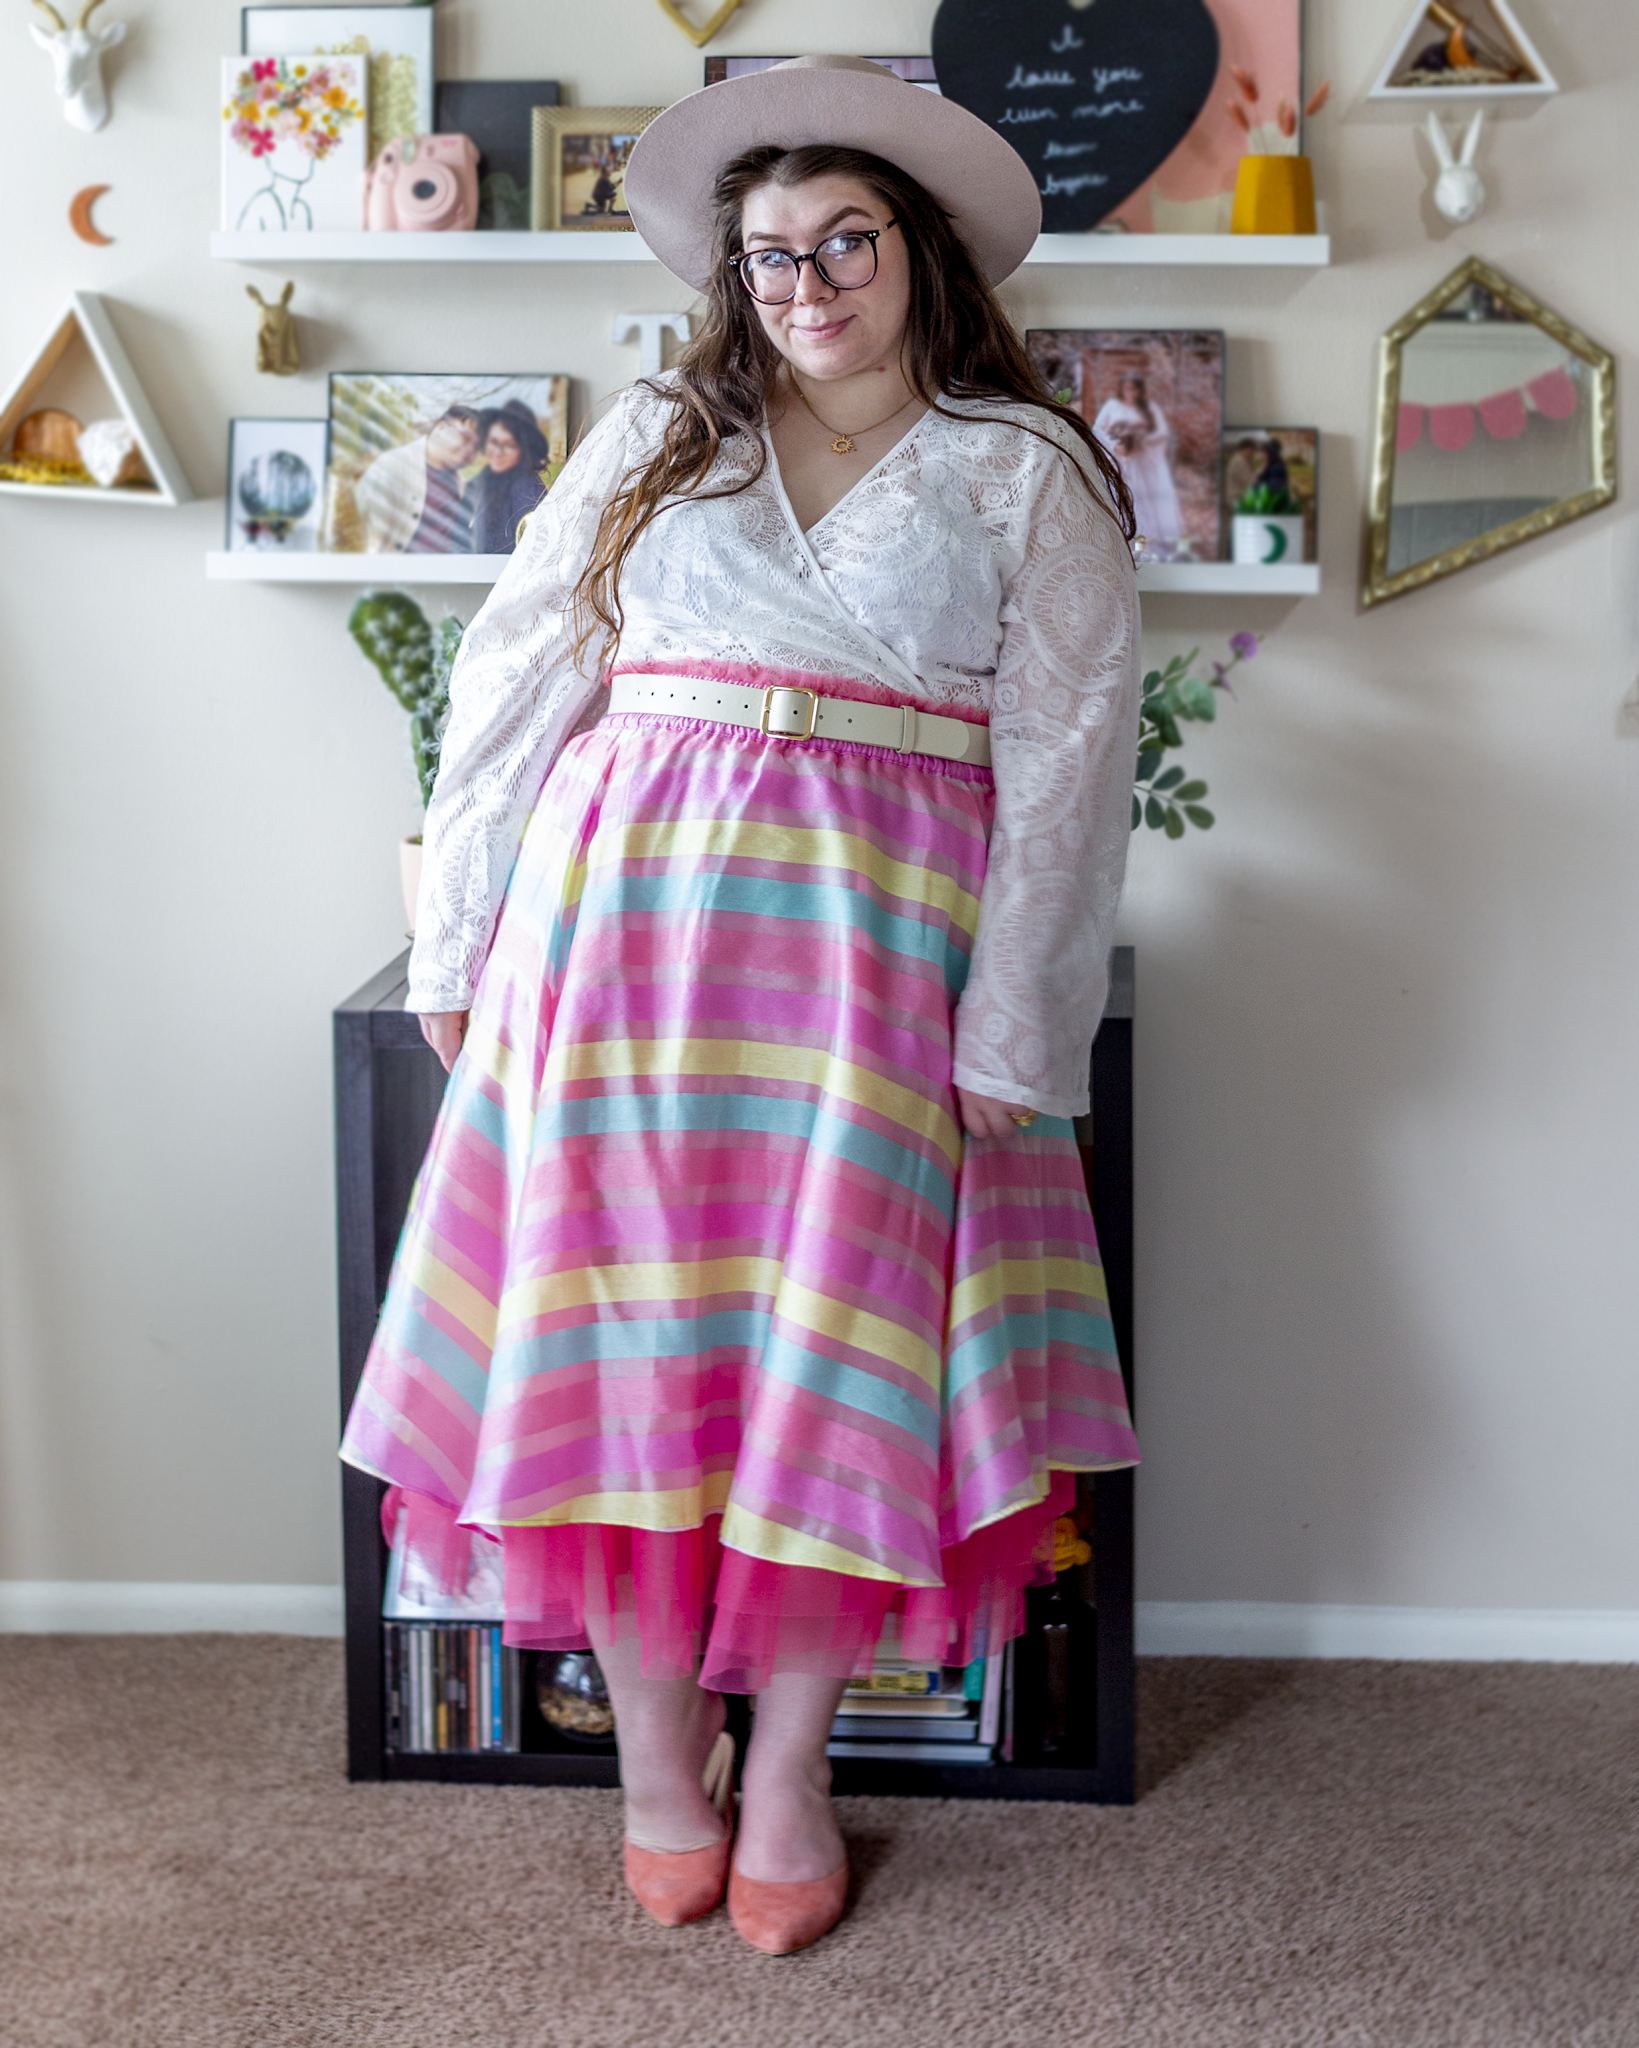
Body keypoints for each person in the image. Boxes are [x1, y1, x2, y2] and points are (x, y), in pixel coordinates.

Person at [341, 57, 1142, 1957]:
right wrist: (459, 942)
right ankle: (652, 1767)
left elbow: (1071, 758)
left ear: (917, 254)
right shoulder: (652, 441)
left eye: (838, 240)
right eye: (766, 252)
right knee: (617, 1345)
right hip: (624, 938)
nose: (799, 282)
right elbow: (516, 674)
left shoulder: (1021, 467)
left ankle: (782, 1773)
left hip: (878, 954)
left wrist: (1009, 1028)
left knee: (834, 1359)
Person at [354, 405, 478, 553]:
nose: (471, 449)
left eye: (477, 446)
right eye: (467, 437)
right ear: (441, 429)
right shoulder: (389, 468)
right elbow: (365, 542)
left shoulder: (465, 487)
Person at [1093, 373, 1183, 557]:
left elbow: (1161, 433)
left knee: (1143, 498)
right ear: (1122, 389)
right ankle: (1123, 543)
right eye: (1127, 388)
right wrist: (1115, 446)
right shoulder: (1112, 406)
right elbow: (1098, 430)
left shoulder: (1149, 409)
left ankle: (1148, 546)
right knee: (1124, 497)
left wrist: (1140, 444)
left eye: (1134, 389)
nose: (1131, 392)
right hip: (1119, 460)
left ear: (1140, 391)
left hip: (1142, 463)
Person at [466, 400, 552, 553]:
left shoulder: (528, 489)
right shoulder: (483, 479)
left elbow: (533, 551)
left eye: (509, 445)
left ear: (523, 449)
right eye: (494, 441)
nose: (498, 451)